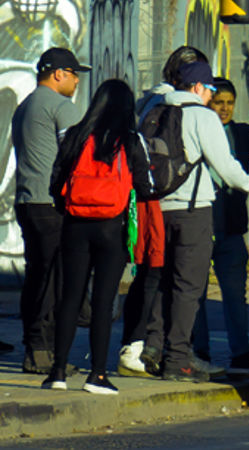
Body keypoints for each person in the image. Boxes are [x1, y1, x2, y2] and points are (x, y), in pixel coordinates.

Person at [43, 79, 150, 394]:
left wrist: (69, 207)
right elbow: (145, 186)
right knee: (103, 302)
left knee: (70, 298)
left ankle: (57, 372)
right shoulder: (130, 141)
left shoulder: (76, 136)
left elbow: (56, 182)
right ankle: (97, 375)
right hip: (112, 228)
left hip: (75, 225)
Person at [156, 61, 249, 382]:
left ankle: (167, 351)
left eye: (227, 101)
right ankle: (184, 357)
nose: (220, 104)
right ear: (200, 89)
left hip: (165, 210)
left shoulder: (159, 112)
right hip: (195, 213)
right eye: (214, 95)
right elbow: (226, 167)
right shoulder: (203, 117)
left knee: (172, 287)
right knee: (190, 290)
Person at [120, 45, 209, 380]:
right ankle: (144, 348)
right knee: (164, 280)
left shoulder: (149, 102)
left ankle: (149, 347)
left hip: (149, 200)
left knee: (154, 276)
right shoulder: (179, 106)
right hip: (177, 203)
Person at [191, 78, 249, 378]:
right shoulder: (196, 129)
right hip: (199, 227)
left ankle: (241, 354)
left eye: (229, 102)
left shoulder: (241, 135)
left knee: (235, 296)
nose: (225, 108)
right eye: (218, 102)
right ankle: (198, 352)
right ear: (208, 103)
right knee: (195, 294)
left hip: (230, 231)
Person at [11, 47, 89, 374]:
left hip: (27, 201)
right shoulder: (60, 107)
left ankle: (35, 348)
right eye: (73, 75)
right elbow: (77, 157)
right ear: (59, 74)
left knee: (37, 276)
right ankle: (44, 353)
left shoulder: (25, 106)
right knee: (53, 280)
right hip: (52, 205)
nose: (76, 82)